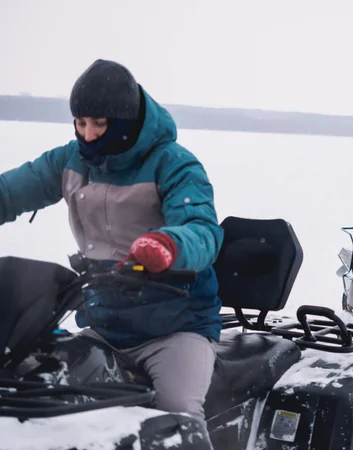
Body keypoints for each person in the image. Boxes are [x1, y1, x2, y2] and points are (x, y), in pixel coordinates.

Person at [0, 59, 222, 448]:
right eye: (81, 123)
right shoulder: (69, 161)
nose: (88, 135)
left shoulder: (173, 162)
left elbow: (202, 230)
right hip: (104, 323)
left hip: (175, 325)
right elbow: (11, 191)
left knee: (178, 412)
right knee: (50, 396)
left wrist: (166, 246)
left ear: (126, 121)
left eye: (99, 124)